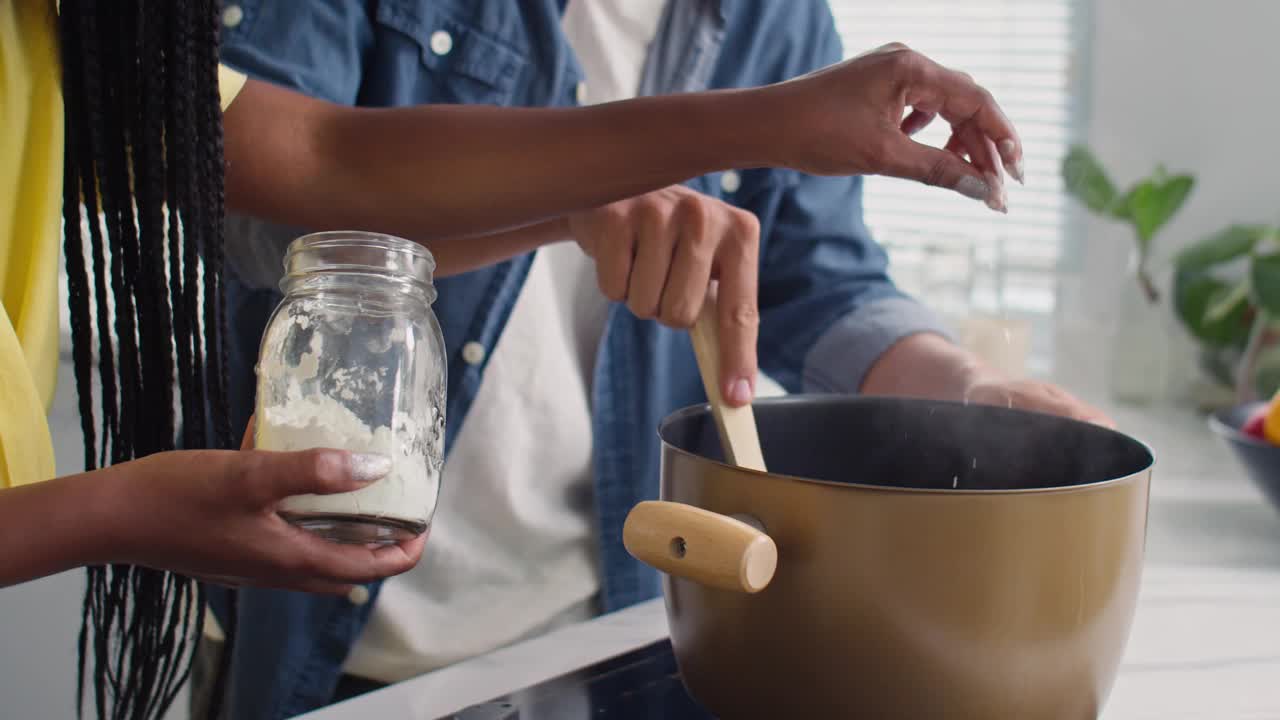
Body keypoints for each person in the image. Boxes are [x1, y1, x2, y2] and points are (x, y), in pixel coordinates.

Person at [7, 1, 1034, 717]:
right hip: (354, 631)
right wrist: (617, 183)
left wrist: (967, 390)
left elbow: (822, 276)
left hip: (625, 626)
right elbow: (280, 201)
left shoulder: (774, 16)